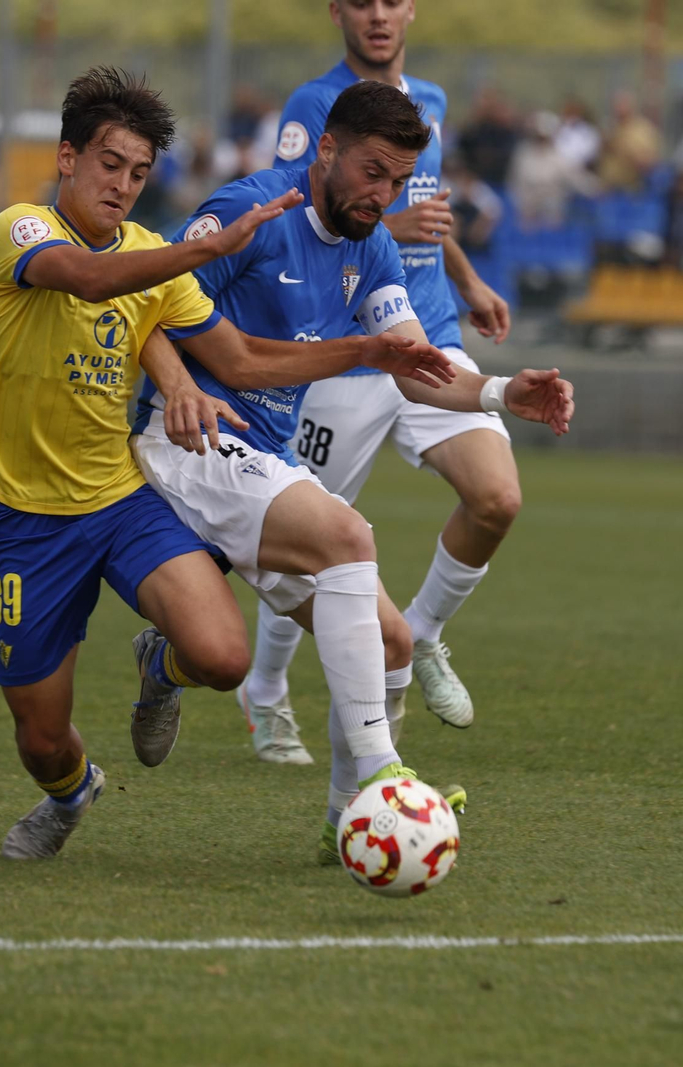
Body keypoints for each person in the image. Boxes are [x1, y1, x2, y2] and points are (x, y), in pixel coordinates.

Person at [0, 67, 453, 859]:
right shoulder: (21, 230)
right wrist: (210, 254)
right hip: (24, 519)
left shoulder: (153, 252)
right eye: (108, 164)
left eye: (138, 172)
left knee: (223, 657)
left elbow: (237, 357)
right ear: (65, 158)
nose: (123, 185)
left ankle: (167, 666)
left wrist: (364, 350)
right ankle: (71, 790)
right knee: (42, 734)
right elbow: (92, 280)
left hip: (121, 499)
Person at [132, 80, 573, 862]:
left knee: (392, 642)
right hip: (189, 439)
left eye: (400, 182)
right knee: (347, 534)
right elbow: (144, 300)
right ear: (326, 149)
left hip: (267, 449)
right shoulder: (255, 209)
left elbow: (411, 361)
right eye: (373, 172)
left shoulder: (369, 246)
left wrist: (503, 391)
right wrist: (176, 386)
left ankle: (346, 820)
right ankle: (385, 776)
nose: (384, 196)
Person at [243, 0, 529, 764]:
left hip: (425, 332)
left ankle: (422, 634)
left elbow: (427, 212)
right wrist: (384, 228)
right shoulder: (314, 104)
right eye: (360, 1)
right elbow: (290, 206)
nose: (377, 15)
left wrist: (465, 278)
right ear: (336, 10)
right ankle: (265, 692)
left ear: (413, 10)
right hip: (350, 344)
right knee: (311, 541)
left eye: (390, 1)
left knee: (497, 496)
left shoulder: (428, 101)